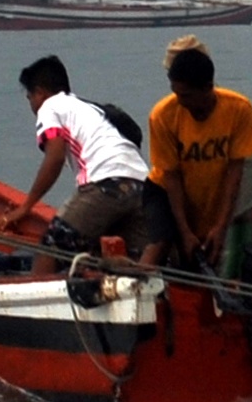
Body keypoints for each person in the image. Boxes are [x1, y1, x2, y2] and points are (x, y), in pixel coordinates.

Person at [12, 54, 163, 267]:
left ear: (39, 93)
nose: (32, 106)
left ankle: (37, 294)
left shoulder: (50, 106)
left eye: (30, 98)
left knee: (51, 247)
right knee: (136, 264)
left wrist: (26, 206)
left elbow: (54, 158)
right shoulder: (89, 109)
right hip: (143, 188)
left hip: (107, 184)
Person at [146, 34, 252, 271]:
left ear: (208, 88)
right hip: (164, 190)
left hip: (207, 196)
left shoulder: (239, 109)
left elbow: (235, 172)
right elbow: (171, 177)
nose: (180, 101)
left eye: (186, 96)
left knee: (206, 261)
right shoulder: (162, 115)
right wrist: (184, 231)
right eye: (176, 93)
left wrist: (220, 227)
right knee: (161, 244)